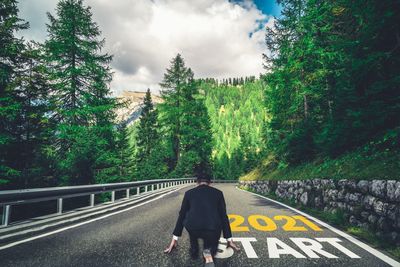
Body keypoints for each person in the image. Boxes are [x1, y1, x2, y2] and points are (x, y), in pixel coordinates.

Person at [164, 177, 240, 266]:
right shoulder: (218, 193)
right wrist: (229, 239)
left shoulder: (189, 193)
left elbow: (182, 215)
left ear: (197, 182)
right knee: (211, 232)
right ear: (210, 183)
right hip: (211, 229)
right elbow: (223, 216)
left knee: (191, 220)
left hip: (193, 228)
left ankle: (194, 249)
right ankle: (207, 255)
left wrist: (175, 238)